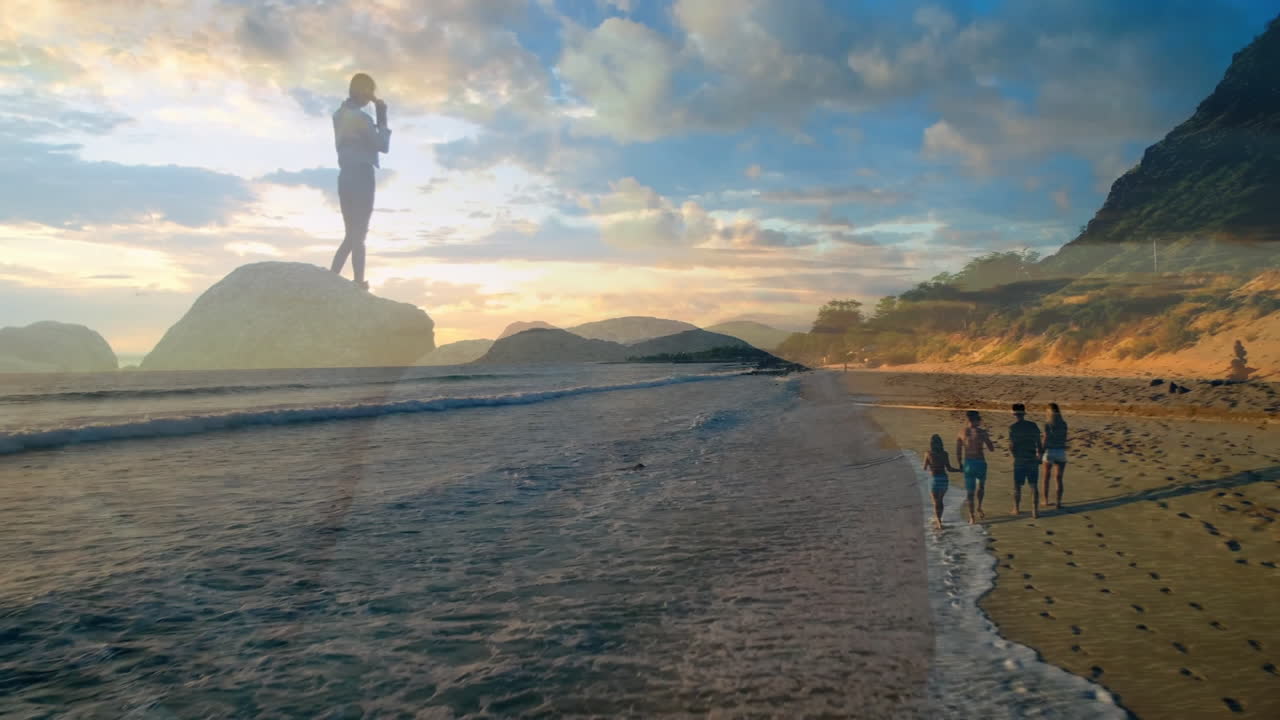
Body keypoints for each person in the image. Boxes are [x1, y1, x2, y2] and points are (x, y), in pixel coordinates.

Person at [331, 73, 392, 291]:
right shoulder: (360, 118)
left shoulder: (338, 115)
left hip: (345, 177)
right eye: (370, 91)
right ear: (363, 91)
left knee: (352, 234)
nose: (372, 96)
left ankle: (336, 278)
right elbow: (382, 145)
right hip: (362, 177)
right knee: (359, 234)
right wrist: (382, 117)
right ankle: (356, 282)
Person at [956, 410, 994, 523]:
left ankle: (972, 517)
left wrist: (960, 464)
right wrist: (987, 440)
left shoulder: (961, 432)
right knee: (981, 487)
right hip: (980, 463)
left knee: (970, 492)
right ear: (977, 420)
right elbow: (991, 449)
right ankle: (979, 506)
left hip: (968, 463)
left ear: (967, 420)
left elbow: (958, 451)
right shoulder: (982, 432)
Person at [1008, 403, 1044, 518]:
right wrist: (1040, 456)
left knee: (1017, 486)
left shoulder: (1013, 428)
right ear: (1024, 413)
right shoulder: (1033, 425)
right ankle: (1035, 511)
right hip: (1032, 458)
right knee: (1033, 485)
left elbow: (1011, 446)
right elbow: (1039, 443)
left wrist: (1014, 455)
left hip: (1020, 459)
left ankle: (1016, 509)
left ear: (1014, 414)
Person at [923, 434, 961, 530]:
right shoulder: (945, 454)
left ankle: (938, 522)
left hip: (934, 479)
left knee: (935, 502)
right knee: (940, 501)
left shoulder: (928, 453)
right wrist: (960, 470)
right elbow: (949, 468)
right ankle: (939, 519)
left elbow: (924, 468)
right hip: (944, 479)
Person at [1041, 402, 1069, 507]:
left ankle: (1045, 500)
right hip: (1060, 451)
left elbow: (1045, 439)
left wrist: (1040, 452)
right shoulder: (1063, 424)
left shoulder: (1047, 424)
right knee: (1058, 478)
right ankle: (1058, 502)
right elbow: (1064, 439)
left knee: (1046, 478)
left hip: (1049, 451)